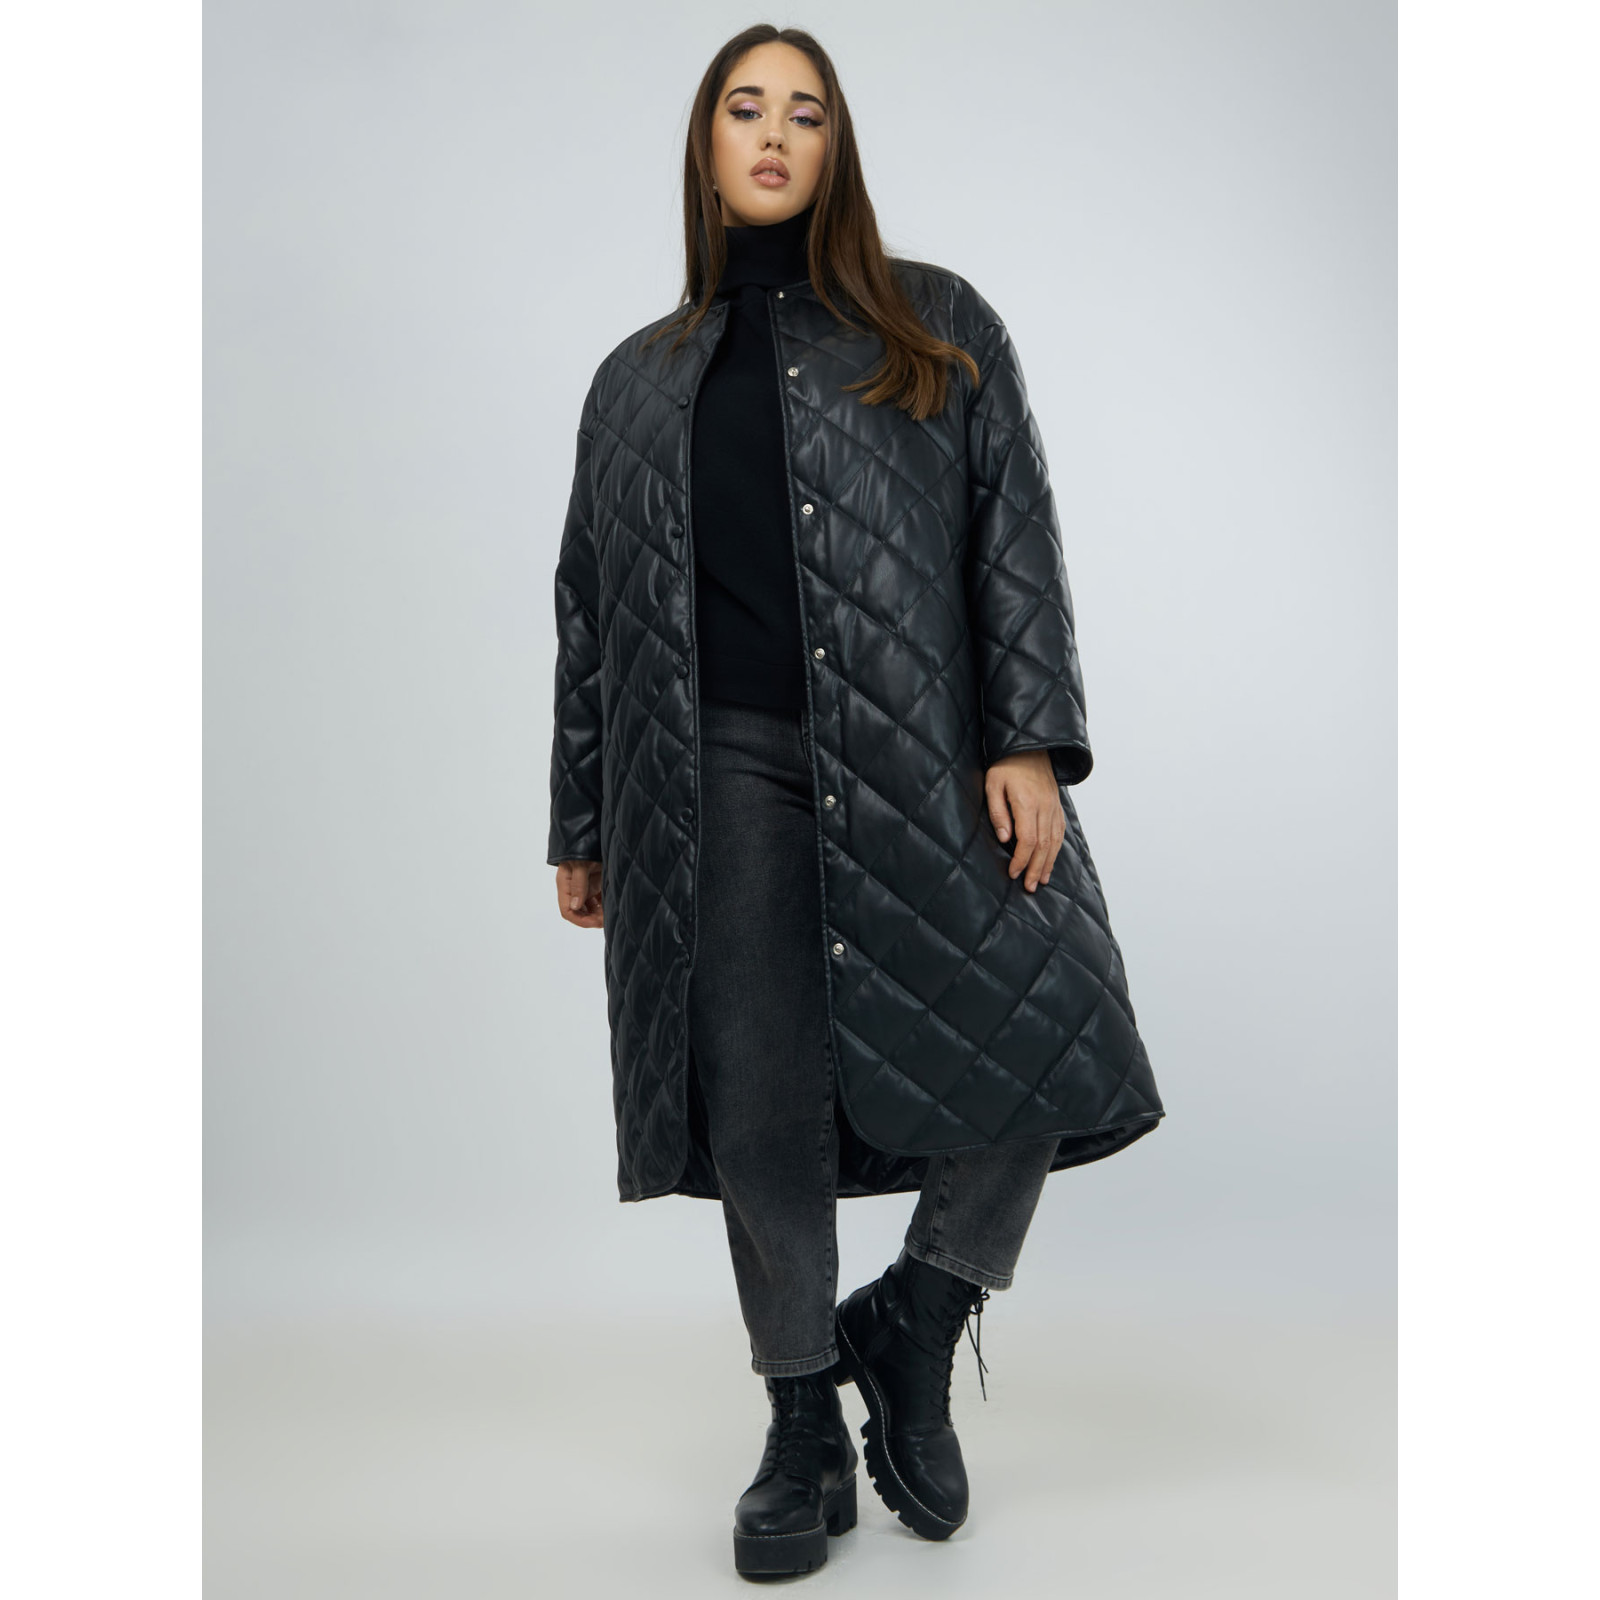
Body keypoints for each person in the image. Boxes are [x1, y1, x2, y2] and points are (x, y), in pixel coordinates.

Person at [547, 24, 1164, 1579]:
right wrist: (584, 820)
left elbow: (1012, 529)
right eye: (745, 108)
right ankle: (799, 1421)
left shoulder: (933, 323)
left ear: (837, 149)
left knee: (1048, 1024)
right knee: (760, 1092)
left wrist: (1028, 736)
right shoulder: (635, 382)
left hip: (921, 750)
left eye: (804, 113)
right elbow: (587, 613)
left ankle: (918, 1315)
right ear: (707, 146)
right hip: (711, 769)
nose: (773, 133)